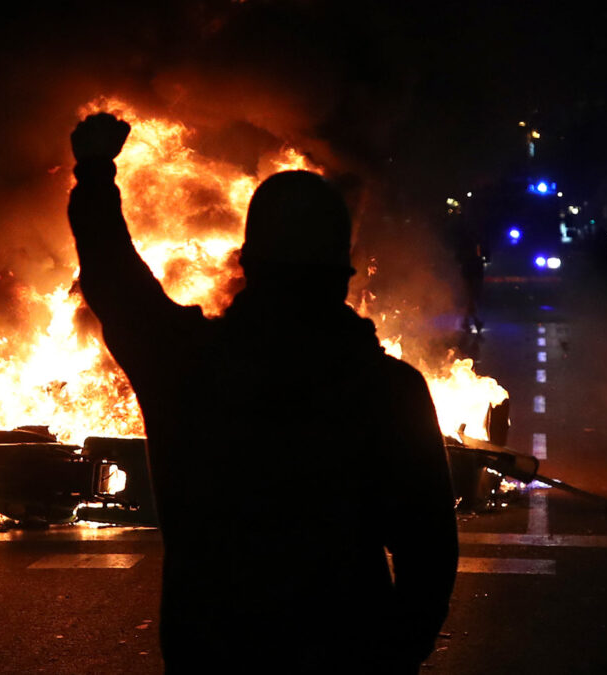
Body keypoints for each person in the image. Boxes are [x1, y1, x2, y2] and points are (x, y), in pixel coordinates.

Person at [67, 113, 458, 673]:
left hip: (213, 653)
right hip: (347, 657)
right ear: (344, 273)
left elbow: (114, 279)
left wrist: (96, 173)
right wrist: (394, 657)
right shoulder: (391, 390)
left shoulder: (188, 366)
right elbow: (429, 556)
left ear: (246, 263)